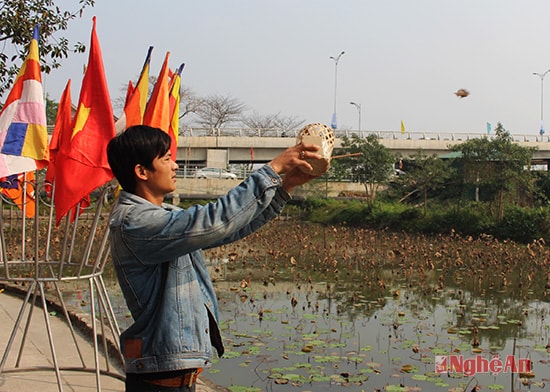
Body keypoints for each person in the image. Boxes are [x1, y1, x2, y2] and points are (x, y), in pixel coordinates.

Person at [106, 125, 323, 392]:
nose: (174, 166)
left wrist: (285, 186)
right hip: (159, 381)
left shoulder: (162, 215)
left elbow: (231, 227)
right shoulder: (136, 222)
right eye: (165, 159)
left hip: (171, 376)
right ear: (141, 172)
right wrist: (272, 169)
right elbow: (215, 222)